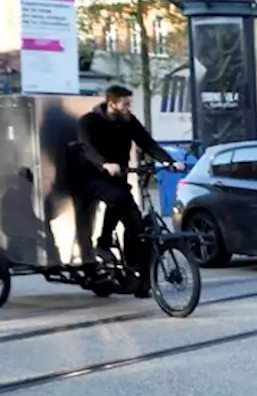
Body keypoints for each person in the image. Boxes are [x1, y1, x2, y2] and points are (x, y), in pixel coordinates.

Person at [74, 85, 184, 295]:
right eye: (125, 104)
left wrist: (169, 162)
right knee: (120, 197)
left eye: (129, 103)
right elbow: (86, 147)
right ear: (112, 103)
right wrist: (104, 163)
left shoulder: (128, 121)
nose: (128, 107)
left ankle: (137, 272)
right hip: (91, 176)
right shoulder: (89, 121)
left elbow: (147, 143)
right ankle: (103, 243)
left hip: (118, 176)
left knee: (135, 220)